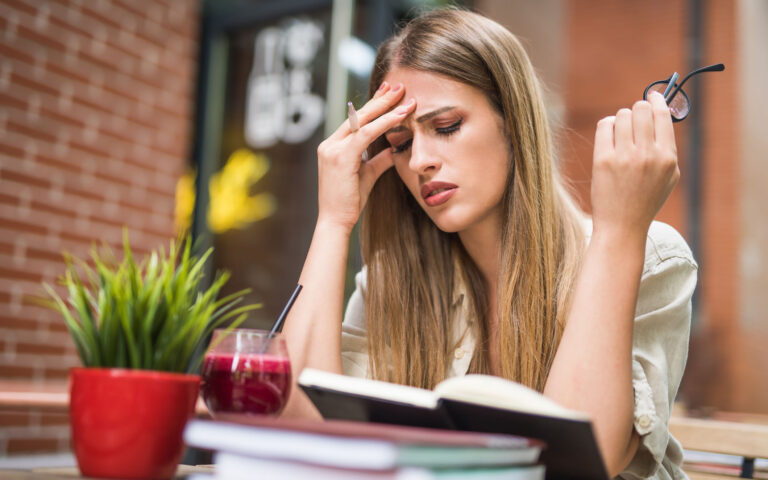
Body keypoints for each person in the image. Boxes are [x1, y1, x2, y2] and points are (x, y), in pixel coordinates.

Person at [281, 8, 697, 479]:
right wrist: (333, 221)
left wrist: (620, 232)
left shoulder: (650, 256)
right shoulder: (391, 282)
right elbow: (300, 430)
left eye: (446, 127)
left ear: (512, 121)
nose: (419, 161)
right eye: (399, 142)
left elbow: (581, 463)